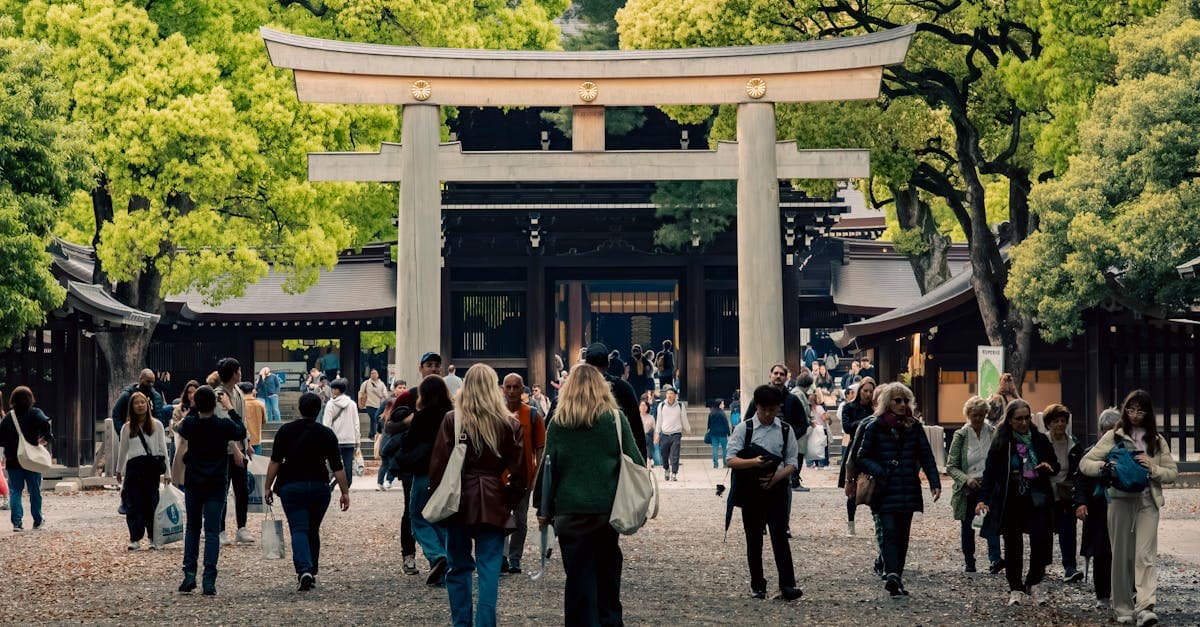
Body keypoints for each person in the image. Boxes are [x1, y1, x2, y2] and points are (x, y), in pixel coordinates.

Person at [534, 362, 646, 623]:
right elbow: (636, 461)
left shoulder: (559, 424)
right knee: (607, 580)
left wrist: (543, 508)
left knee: (578, 582)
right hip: (607, 512)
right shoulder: (615, 420)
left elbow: (548, 469)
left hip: (570, 513)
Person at [428, 364, 527, 627]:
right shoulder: (510, 423)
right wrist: (509, 500)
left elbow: (438, 467)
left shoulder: (452, 420)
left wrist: (438, 497)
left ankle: (462, 623)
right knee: (489, 569)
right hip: (494, 497)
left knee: (458, 566)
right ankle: (486, 622)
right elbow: (519, 473)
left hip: (459, 498)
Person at [1079, 390, 1178, 626]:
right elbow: (1085, 463)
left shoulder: (1157, 440)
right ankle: (1123, 606)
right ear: (1125, 410)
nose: (1135, 415)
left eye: (1141, 410)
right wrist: (1106, 466)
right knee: (1121, 555)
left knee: (1145, 555)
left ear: (1148, 412)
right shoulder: (1113, 436)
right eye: (1131, 409)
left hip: (1147, 501)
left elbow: (1172, 473)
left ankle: (1145, 606)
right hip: (1120, 499)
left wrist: (1153, 468)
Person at [854, 382, 941, 597]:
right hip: (885, 489)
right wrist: (882, 470)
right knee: (890, 532)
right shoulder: (875, 425)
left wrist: (934, 481)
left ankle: (896, 576)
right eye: (897, 400)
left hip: (908, 487)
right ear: (887, 402)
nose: (902, 405)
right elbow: (862, 457)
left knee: (903, 535)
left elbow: (926, 455)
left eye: (905, 400)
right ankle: (892, 573)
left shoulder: (914, 426)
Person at [264, 392, 351, 591]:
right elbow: (338, 466)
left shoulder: (285, 431)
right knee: (313, 528)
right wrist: (345, 492)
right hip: (320, 486)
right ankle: (311, 570)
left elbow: (275, 461)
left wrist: (268, 486)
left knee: (298, 528)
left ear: (299, 408)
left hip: (292, 486)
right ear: (319, 410)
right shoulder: (326, 434)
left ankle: (304, 569)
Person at [976, 399, 1059, 606]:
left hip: (1037, 497)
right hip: (1011, 499)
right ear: (1010, 421)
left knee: (1041, 541)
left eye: (1026, 418)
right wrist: (983, 499)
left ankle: (1034, 581)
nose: (1023, 423)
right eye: (1018, 419)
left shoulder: (1039, 440)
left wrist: (1049, 467)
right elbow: (990, 474)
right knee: (1013, 545)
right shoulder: (1002, 442)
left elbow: (1054, 463)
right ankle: (1015, 587)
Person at [726, 385, 802, 601]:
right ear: (756, 407)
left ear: (778, 408)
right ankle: (758, 585)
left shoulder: (785, 430)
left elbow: (792, 462)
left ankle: (787, 584)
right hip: (751, 491)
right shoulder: (744, 429)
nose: (768, 414)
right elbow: (730, 459)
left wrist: (776, 477)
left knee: (780, 537)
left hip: (777, 490)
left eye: (772, 409)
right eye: (763, 409)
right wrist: (753, 462)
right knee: (753, 539)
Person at [174, 385, 247, 596]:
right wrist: (230, 408)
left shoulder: (190, 424)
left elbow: (179, 427)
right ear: (215, 404)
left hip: (194, 480)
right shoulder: (223, 426)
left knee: (192, 528)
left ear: (196, 404)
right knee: (212, 531)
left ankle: (189, 573)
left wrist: (194, 409)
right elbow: (241, 430)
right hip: (216, 481)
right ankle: (209, 579)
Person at [389, 375, 454, 584]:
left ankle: (437, 555)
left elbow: (408, 444)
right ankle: (448, 562)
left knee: (417, 517)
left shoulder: (422, 416)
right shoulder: (452, 415)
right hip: (448, 473)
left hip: (424, 472)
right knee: (442, 518)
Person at [946, 396, 1002, 573]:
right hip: (968, 487)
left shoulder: (992, 432)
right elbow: (951, 465)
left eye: (980, 415)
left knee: (991, 521)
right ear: (968, 415)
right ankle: (969, 561)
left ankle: (995, 559)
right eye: (974, 415)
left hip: (988, 485)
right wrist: (966, 479)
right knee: (968, 525)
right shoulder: (961, 435)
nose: (977, 419)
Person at [1074, 408, 1121, 609]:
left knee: (1123, 552)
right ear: (1101, 431)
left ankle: (1125, 593)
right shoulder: (1090, 454)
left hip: (1121, 508)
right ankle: (1102, 594)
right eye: (1107, 430)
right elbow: (1081, 481)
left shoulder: (1127, 452)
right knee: (1101, 553)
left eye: (1115, 430)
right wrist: (1081, 503)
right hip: (1098, 509)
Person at [501, 374, 546, 575]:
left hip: (524, 475)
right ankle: (500, 556)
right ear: (503, 389)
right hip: (499, 475)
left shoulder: (533, 415)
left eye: (515, 387)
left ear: (522, 390)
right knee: (500, 517)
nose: (511, 391)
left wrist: (536, 473)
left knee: (520, 519)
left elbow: (540, 447)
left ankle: (514, 558)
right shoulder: (496, 413)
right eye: (508, 387)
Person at [116, 391, 171, 549]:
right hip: (134, 466)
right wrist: (119, 470)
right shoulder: (127, 428)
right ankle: (135, 538)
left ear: (148, 405)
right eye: (136, 403)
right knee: (133, 503)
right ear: (131, 407)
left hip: (151, 466)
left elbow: (162, 449)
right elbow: (123, 450)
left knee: (151, 502)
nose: (140, 406)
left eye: (142, 402)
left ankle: (153, 537)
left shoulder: (157, 425)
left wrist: (168, 472)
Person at [212, 358, 253, 546]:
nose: (241, 373)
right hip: (225, 450)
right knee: (222, 488)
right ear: (234, 373)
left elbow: (241, 419)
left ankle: (241, 527)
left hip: (241, 446)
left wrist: (248, 441)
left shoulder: (236, 391)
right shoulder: (219, 394)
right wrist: (234, 447)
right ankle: (220, 530)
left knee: (241, 489)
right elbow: (222, 423)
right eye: (239, 370)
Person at [1, 387, 52, 532]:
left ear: (13, 400)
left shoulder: (8, 417)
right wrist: (45, 439)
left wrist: (9, 446)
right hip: (32, 460)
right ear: (30, 398)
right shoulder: (35, 413)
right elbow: (45, 423)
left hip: (13, 460)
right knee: (34, 490)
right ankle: (37, 520)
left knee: (15, 491)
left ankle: (17, 523)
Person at [583, 343, 647, 456]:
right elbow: (636, 428)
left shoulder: (573, 391)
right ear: (608, 364)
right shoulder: (623, 388)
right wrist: (641, 461)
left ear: (585, 364)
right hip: (613, 457)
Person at [1043, 403, 1084, 582]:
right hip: (1046, 493)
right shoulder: (1041, 442)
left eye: (1063, 421)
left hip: (1066, 493)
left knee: (1068, 529)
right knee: (1044, 530)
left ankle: (1070, 567)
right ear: (1048, 423)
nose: (1060, 424)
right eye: (1056, 421)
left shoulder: (1073, 444)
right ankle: (1041, 566)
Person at [837, 377, 875, 537]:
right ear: (859, 390)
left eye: (871, 391)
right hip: (855, 448)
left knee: (875, 487)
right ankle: (851, 524)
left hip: (873, 450)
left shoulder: (876, 409)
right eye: (865, 390)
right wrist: (865, 422)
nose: (867, 394)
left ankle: (878, 522)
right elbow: (847, 427)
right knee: (852, 488)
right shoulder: (849, 407)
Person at [322, 378, 361, 487]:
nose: (332, 390)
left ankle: (329, 483)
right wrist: (357, 439)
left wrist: (326, 440)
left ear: (336, 390)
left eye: (333, 388)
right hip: (349, 439)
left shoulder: (330, 404)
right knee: (348, 464)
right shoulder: (352, 404)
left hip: (334, 440)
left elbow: (327, 424)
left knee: (332, 464)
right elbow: (356, 423)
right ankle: (346, 484)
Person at [112, 368, 166, 436]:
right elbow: (117, 415)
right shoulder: (127, 395)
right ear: (141, 379)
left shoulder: (156, 396)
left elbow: (159, 417)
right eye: (148, 382)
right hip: (132, 433)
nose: (151, 384)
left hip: (151, 433)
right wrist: (123, 433)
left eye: (152, 382)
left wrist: (158, 433)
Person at [654, 387, 690, 481]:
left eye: (671, 394)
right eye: (668, 394)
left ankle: (674, 473)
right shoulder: (661, 406)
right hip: (664, 434)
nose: (669, 395)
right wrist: (657, 434)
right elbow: (659, 421)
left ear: (675, 395)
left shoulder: (680, 406)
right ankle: (666, 469)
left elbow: (684, 419)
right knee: (664, 455)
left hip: (676, 434)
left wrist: (688, 429)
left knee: (675, 454)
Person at [169, 380, 200, 470]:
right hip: (182, 444)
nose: (192, 395)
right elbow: (174, 427)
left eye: (194, 392)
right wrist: (185, 419)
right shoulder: (179, 408)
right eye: (189, 392)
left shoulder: (202, 407)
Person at [238, 382, 268, 456]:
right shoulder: (260, 404)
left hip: (242, 441)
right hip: (256, 439)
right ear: (253, 390)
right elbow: (264, 421)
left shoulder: (239, 404)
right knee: (256, 464)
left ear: (241, 391)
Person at [359, 369, 389, 439]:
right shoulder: (366, 383)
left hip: (378, 405)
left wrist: (387, 400)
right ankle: (373, 434)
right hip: (369, 404)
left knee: (375, 419)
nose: (373, 375)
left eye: (375, 373)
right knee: (373, 418)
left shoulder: (381, 384)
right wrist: (360, 401)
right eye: (372, 373)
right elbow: (361, 392)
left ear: (378, 375)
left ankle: (371, 434)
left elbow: (385, 393)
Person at [805, 392, 829, 468]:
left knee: (813, 446)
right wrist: (828, 417)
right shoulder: (819, 408)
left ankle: (812, 463)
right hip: (821, 429)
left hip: (812, 429)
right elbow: (824, 418)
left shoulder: (807, 409)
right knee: (823, 446)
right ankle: (823, 463)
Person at [707, 399, 731, 469]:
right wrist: (728, 433)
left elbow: (709, 424)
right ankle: (725, 464)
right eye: (723, 404)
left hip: (713, 433)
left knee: (714, 448)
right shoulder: (722, 413)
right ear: (719, 404)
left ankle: (715, 464)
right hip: (722, 433)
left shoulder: (711, 413)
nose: (724, 405)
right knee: (724, 449)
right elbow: (726, 424)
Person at [639, 400, 656, 468]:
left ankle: (649, 458)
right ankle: (649, 459)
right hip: (638, 437)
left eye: (645, 405)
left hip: (648, 437)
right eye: (641, 405)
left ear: (647, 407)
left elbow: (654, 429)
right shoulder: (635, 417)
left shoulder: (651, 417)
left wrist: (655, 438)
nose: (643, 407)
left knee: (647, 437)